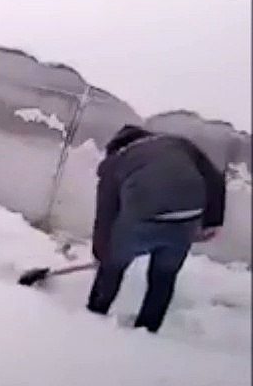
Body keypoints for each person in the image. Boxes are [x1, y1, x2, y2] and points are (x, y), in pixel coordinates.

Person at [86, 124, 225, 333]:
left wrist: (101, 253)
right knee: (164, 276)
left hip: (143, 218)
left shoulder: (116, 161)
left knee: (112, 267)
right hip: (187, 218)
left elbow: (106, 213)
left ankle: (93, 316)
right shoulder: (179, 144)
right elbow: (215, 178)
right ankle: (148, 330)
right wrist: (213, 220)